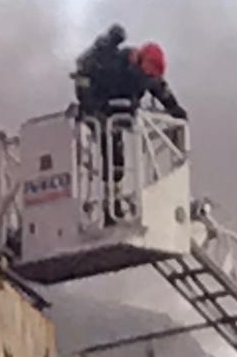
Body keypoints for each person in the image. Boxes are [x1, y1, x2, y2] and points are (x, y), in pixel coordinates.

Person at [70, 28, 186, 216]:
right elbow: (85, 75)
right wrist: (91, 108)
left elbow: (161, 90)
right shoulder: (111, 63)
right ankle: (109, 207)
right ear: (139, 61)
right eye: (146, 74)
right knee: (111, 152)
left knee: (117, 158)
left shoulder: (146, 75)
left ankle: (114, 203)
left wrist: (176, 110)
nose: (147, 79)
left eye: (150, 76)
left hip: (117, 116)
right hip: (98, 110)